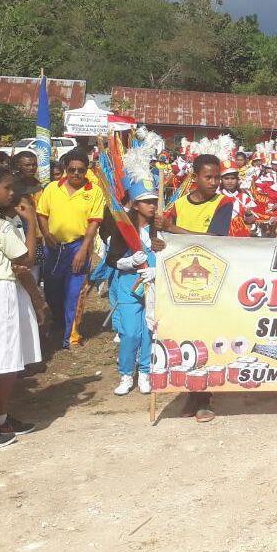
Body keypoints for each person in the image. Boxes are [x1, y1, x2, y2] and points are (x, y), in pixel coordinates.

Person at [163, 154, 238, 422]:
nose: (215, 182)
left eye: (218, 176)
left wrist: (175, 229)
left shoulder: (224, 202)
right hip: (182, 282)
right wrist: (164, 234)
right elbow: (162, 234)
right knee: (185, 337)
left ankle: (204, 398)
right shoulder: (178, 205)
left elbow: (216, 239)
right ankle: (191, 393)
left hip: (212, 281)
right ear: (195, 177)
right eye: (209, 177)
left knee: (206, 338)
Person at [0, 165, 40, 451]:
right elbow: (26, 258)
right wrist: (30, 224)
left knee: (0, 362)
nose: (12, 193)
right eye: (6, 188)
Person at [36, 148, 105, 349]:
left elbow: (94, 222)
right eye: (72, 169)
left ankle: (71, 336)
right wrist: (46, 234)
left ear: (86, 170)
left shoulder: (94, 191)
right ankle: (58, 321)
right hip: (53, 247)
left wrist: (84, 249)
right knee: (52, 290)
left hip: (78, 245)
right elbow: (42, 213)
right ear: (66, 169)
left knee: (75, 292)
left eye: (81, 170)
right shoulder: (51, 188)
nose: (76, 174)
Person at [105, 167, 164, 395]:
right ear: (136, 204)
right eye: (146, 201)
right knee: (130, 332)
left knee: (150, 331)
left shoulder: (160, 229)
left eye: (154, 201)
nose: (152, 206)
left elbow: (172, 256)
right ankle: (126, 373)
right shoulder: (123, 228)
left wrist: (157, 270)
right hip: (129, 288)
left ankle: (147, 372)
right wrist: (128, 262)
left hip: (153, 287)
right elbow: (111, 259)